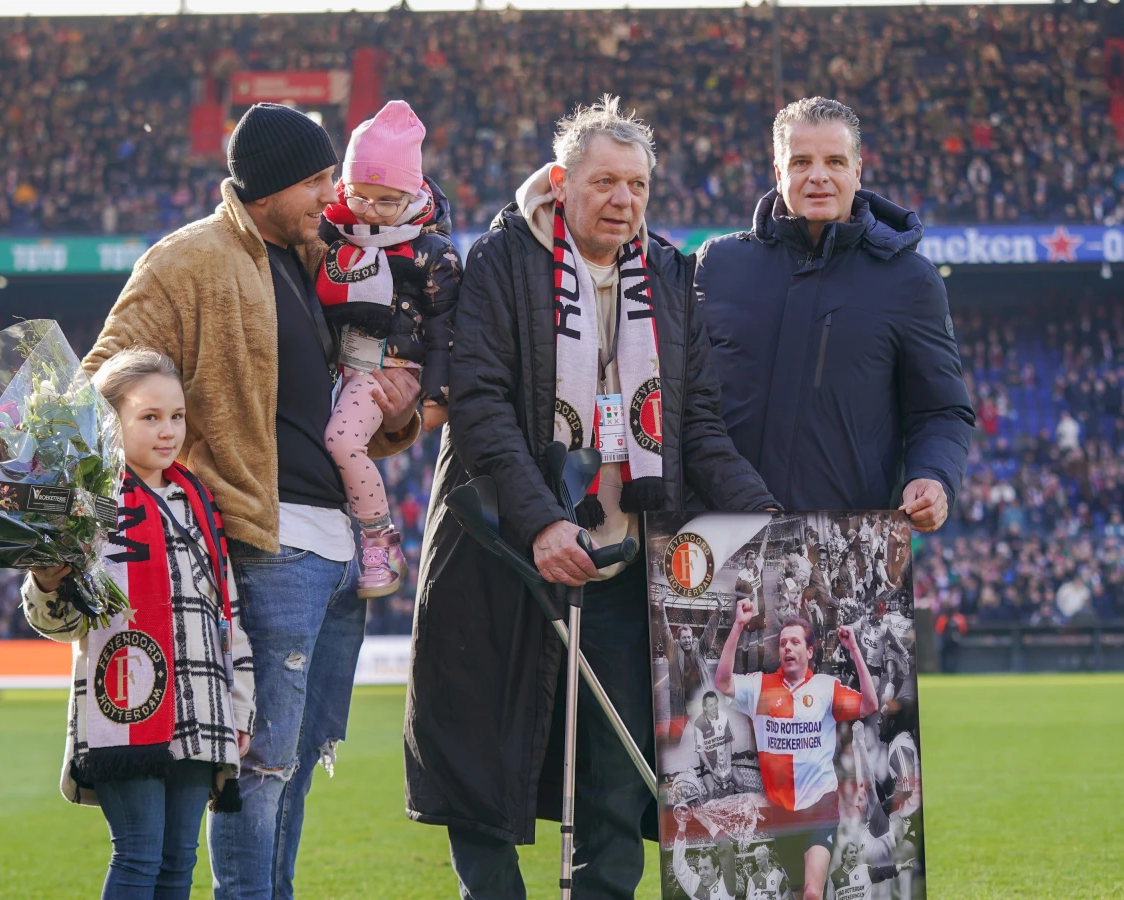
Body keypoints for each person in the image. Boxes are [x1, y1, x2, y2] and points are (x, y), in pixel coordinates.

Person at [405, 96, 776, 899]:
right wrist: (540, 522)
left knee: (614, 781)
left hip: (625, 560)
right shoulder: (502, 260)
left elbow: (697, 424)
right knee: (483, 757)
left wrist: (767, 520)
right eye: (605, 181)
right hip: (504, 553)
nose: (623, 200)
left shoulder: (671, 274)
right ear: (560, 183)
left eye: (637, 184)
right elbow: (477, 404)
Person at [83, 102, 423, 900]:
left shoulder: (320, 257)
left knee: (295, 763)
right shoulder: (187, 260)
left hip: (340, 549)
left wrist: (397, 410)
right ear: (266, 187)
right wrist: (170, 469)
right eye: (313, 179)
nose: (329, 191)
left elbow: (331, 410)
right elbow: (104, 376)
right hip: (267, 543)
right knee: (259, 766)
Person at [21, 348, 257, 900]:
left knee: (179, 861)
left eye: (176, 416)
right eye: (149, 417)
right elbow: (61, 624)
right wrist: (48, 582)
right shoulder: (88, 504)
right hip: (126, 707)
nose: (167, 431)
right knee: (139, 854)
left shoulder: (198, 500)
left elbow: (228, 613)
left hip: (200, 705)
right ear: (109, 421)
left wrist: (240, 704)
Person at [695, 97, 973, 531]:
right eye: (801, 161)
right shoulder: (719, 265)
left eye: (835, 161)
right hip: (720, 536)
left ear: (857, 171)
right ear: (778, 172)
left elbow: (941, 410)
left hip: (848, 549)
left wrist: (933, 476)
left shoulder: (909, 281)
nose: (818, 176)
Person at [315, 100, 462, 598]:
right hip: (344, 365)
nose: (369, 212)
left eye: (385, 202)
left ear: (413, 193)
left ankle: (381, 542)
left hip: (388, 367)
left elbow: (446, 328)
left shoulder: (432, 251)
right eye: (359, 196)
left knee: (340, 442)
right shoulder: (330, 234)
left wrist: (436, 396)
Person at [715, 608, 877, 900]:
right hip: (782, 813)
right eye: (782, 643)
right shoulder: (759, 687)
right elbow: (723, 683)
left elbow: (869, 705)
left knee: (813, 892)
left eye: (794, 642)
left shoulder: (825, 688)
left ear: (810, 651)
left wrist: (854, 649)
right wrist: (739, 624)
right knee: (799, 891)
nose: (787, 647)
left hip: (820, 806)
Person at [692, 690, 740, 799]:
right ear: (704, 707)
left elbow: (728, 743)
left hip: (724, 760)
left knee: (740, 781)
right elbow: (700, 752)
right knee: (711, 789)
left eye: (715, 704)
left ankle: (737, 804)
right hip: (709, 763)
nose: (714, 708)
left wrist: (728, 764)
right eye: (710, 705)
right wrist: (711, 770)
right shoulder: (699, 723)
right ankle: (710, 811)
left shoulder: (723, 717)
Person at [672, 820, 737, 900]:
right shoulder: (696, 885)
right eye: (700, 868)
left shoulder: (726, 887)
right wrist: (682, 827)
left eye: (706, 868)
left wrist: (705, 821)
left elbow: (727, 851)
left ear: (716, 868)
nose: (701, 873)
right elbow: (678, 866)